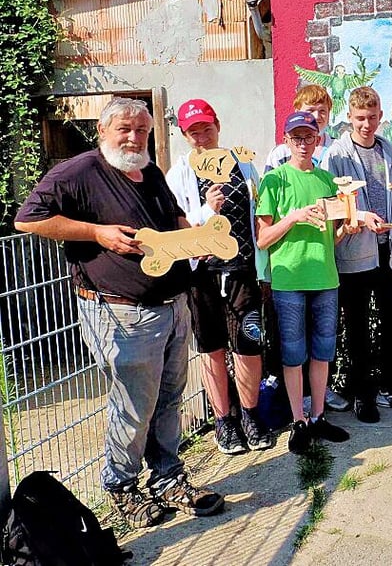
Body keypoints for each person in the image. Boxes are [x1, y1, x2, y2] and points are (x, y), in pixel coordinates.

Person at [15, 97, 223, 528]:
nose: (134, 137)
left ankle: (168, 478)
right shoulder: (79, 172)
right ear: (103, 131)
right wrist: (97, 233)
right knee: (134, 405)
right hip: (121, 312)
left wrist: (203, 238)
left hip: (172, 307)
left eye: (142, 130)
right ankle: (122, 486)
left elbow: (174, 221)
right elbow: (28, 219)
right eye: (124, 129)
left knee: (169, 399)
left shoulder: (150, 172)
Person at [165, 99, 274, 455]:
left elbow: (261, 216)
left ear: (218, 126)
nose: (201, 137)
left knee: (248, 344)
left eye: (206, 129)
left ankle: (251, 415)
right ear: (185, 136)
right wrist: (206, 209)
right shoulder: (179, 174)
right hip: (202, 274)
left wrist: (265, 268)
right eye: (193, 132)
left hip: (242, 268)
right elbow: (176, 227)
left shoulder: (244, 165)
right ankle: (224, 421)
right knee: (211, 347)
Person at [325, 86, 392, 423]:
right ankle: (362, 395)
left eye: (371, 117)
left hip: (388, 252)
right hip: (354, 254)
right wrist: (359, 216)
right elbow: (330, 205)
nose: (366, 124)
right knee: (357, 327)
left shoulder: (388, 152)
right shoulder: (337, 155)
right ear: (349, 118)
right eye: (360, 118)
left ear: (380, 116)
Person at [255, 111, 351, 454]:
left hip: (325, 277)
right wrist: (294, 217)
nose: (302, 144)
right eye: (296, 138)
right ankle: (299, 421)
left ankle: (319, 416)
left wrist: (346, 228)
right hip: (289, 280)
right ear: (286, 141)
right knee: (293, 355)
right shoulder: (274, 181)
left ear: (317, 140)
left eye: (308, 137)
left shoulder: (328, 181)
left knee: (323, 352)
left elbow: (331, 238)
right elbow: (263, 239)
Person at [264, 84, 336, 172]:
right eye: (310, 110)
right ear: (297, 112)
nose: (317, 116)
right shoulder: (281, 154)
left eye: (322, 111)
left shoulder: (338, 149)